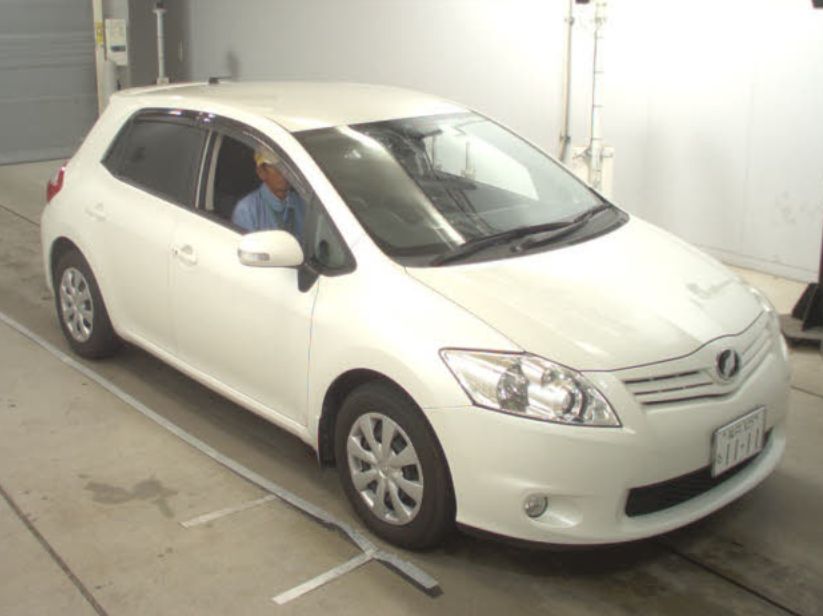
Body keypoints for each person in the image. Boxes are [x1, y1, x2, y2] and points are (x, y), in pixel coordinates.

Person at [231, 147, 305, 236]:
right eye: (277, 167)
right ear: (261, 172)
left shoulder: (302, 203)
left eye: (286, 167)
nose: (284, 172)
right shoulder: (247, 210)